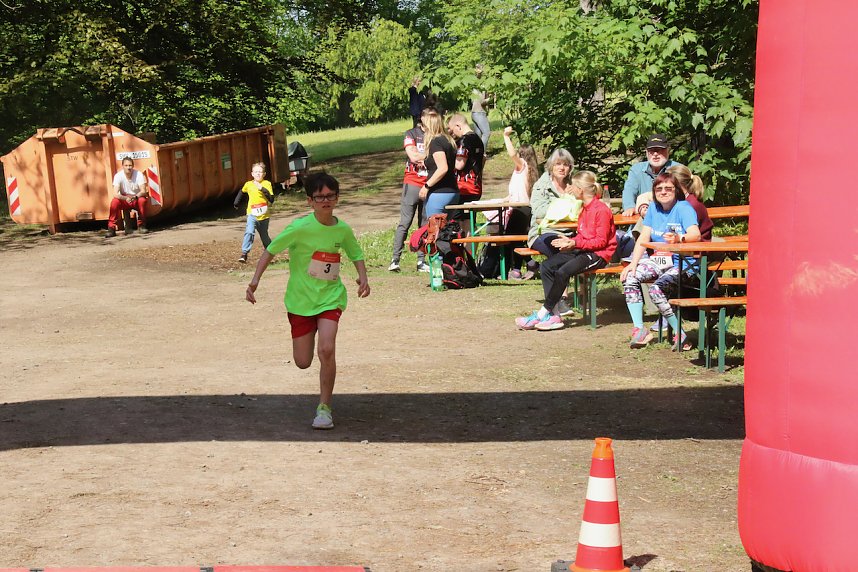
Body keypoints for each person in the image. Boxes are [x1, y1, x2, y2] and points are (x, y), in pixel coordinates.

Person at [245, 172, 370, 430]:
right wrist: (255, 280)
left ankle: (324, 408)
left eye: (330, 196)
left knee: (326, 349)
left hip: (330, 298)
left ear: (337, 198)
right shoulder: (300, 228)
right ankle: (309, 334)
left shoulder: (342, 229)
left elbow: (355, 253)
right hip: (300, 301)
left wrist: (363, 277)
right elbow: (270, 250)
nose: (326, 201)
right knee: (303, 361)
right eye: (320, 197)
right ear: (309, 201)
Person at [516, 171, 617, 330]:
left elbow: (601, 242)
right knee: (546, 266)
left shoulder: (601, 210)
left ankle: (542, 314)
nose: (570, 189)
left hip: (598, 254)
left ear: (581, 190)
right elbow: (584, 236)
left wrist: (574, 242)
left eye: (573, 187)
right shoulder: (584, 208)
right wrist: (571, 242)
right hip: (583, 249)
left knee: (563, 272)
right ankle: (554, 315)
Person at [620, 172, 701, 350]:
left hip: (684, 263)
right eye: (659, 189)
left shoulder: (683, 208)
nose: (663, 192)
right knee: (630, 277)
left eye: (668, 188)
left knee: (656, 289)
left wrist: (680, 238)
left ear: (676, 190)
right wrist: (633, 264)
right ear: (654, 192)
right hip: (659, 260)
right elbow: (643, 238)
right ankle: (640, 330)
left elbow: (696, 234)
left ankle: (680, 333)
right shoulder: (653, 210)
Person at [389, 108, 430, 273]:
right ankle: (395, 260)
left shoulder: (436, 135)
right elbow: (413, 156)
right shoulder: (411, 133)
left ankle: (422, 261)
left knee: (425, 224)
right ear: (421, 117)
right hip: (412, 182)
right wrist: (429, 155)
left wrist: (423, 155)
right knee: (405, 223)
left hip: (430, 183)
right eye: (429, 116)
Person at [500, 126, 538, 279]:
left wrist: (506, 136)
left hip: (520, 209)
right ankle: (520, 267)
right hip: (522, 207)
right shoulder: (530, 171)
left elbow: (512, 154)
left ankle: (526, 265)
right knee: (516, 238)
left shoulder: (523, 166)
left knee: (511, 238)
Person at [621, 134, 683, 217]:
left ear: (668, 151)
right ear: (646, 152)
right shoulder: (636, 170)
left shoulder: (677, 169)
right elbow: (629, 191)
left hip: (671, 216)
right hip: (643, 218)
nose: (655, 154)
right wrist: (629, 207)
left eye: (659, 150)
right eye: (651, 150)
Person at [418, 109, 459, 218]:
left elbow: (443, 168)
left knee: (435, 231)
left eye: (424, 124)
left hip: (439, 193)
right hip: (452, 191)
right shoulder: (449, 141)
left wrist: (426, 186)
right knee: (448, 230)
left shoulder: (436, 142)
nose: (422, 128)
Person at [234, 162, 275, 263]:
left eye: (260, 172)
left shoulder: (267, 184)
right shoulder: (248, 184)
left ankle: (269, 252)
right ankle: (244, 253)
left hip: (264, 216)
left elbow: (271, 199)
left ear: (264, 174)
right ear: (252, 174)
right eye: (256, 172)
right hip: (252, 214)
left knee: (264, 236)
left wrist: (262, 189)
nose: (258, 174)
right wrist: (236, 202)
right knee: (249, 231)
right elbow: (242, 191)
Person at [668, 165, 713, 241]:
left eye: (668, 184)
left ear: (677, 184)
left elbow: (693, 235)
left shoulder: (691, 204)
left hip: (699, 246)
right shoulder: (681, 200)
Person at [106, 157, 149, 237]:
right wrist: (125, 198)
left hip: (136, 198)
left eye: (130, 165)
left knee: (142, 201)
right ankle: (111, 228)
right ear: (122, 166)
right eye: (126, 165)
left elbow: (143, 191)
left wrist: (135, 197)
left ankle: (141, 225)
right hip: (124, 198)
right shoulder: (118, 176)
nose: (128, 167)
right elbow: (115, 194)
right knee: (114, 202)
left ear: (133, 166)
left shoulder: (139, 174)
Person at [448, 113, 485, 203]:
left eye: (452, 131)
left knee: (455, 216)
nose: (452, 134)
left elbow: (459, 164)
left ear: (458, 126)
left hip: (464, 187)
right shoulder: (478, 139)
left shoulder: (464, 141)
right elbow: (483, 159)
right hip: (476, 187)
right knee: (469, 217)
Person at [471, 64, 491, 150]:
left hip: (474, 113)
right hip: (479, 112)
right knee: (486, 133)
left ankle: (476, 154)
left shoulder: (474, 87)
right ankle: (482, 153)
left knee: (478, 135)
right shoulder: (481, 87)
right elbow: (482, 102)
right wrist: (489, 99)